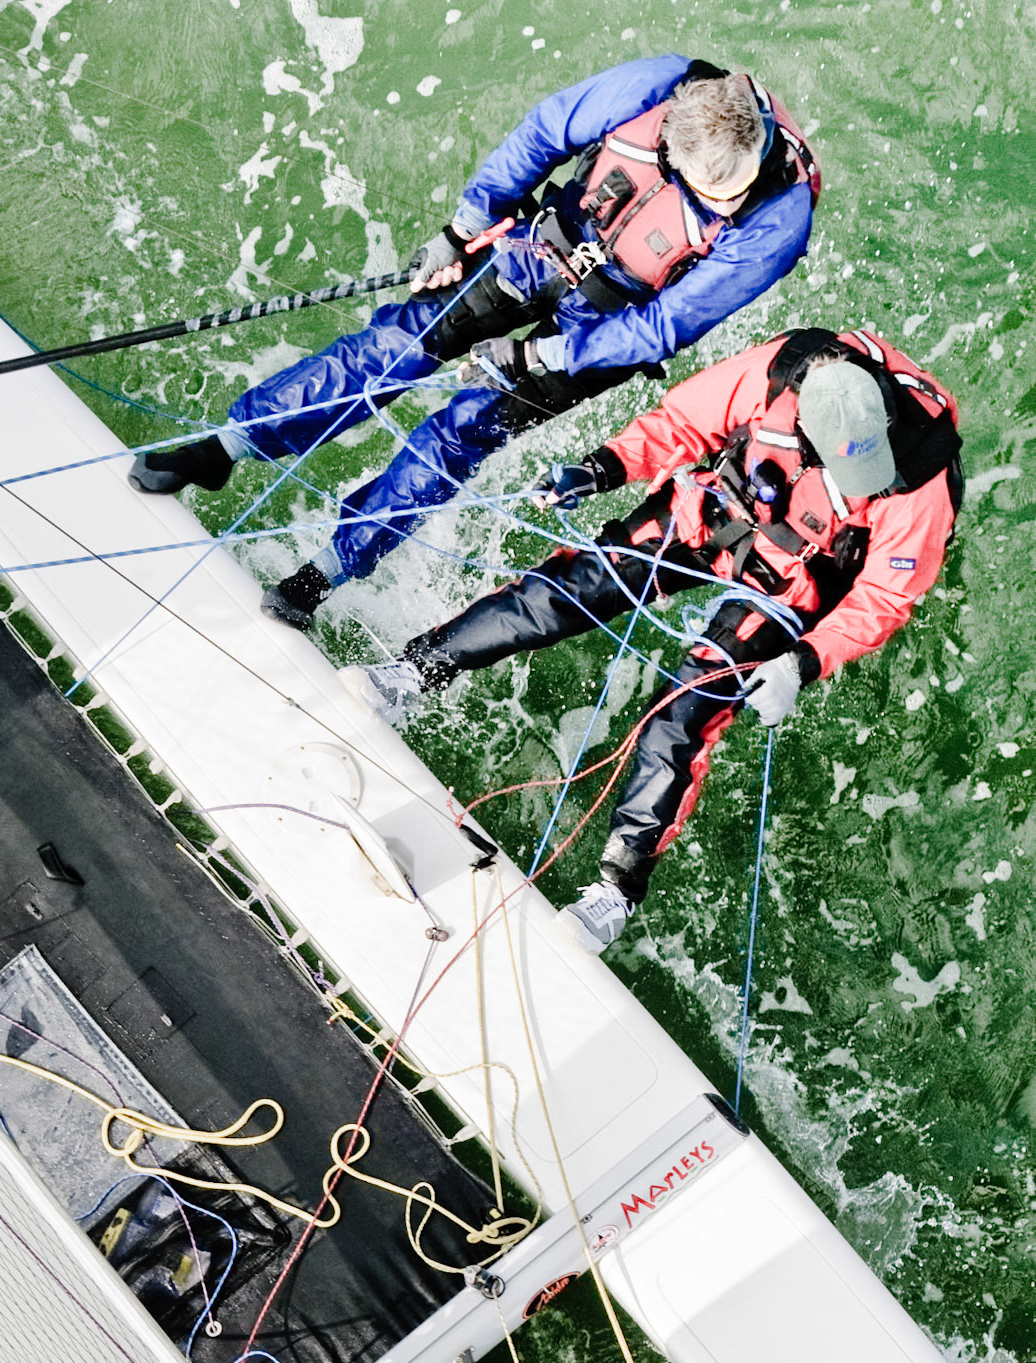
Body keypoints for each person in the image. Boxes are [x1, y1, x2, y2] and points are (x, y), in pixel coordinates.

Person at [130, 56, 819, 629]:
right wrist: (464, 227)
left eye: (730, 188)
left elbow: (666, 325)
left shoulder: (779, 215)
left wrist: (540, 356)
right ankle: (225, 448)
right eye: (709, 187)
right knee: (394, 347)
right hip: (535, 249)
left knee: (460, 433)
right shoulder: (663, 83)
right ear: (670, 137)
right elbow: (546, 131)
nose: (723, 201)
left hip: (605, 329)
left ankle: (324, 574)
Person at [344, 326, 963, 950]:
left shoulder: (919, 478)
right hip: (718, 508)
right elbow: (681, 423)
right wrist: (601, 468)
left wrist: (801, 665)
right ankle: (411, 673)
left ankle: (617, 888)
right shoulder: (778, 371)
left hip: (793, 580)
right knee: (567, 591)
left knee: (682, 712)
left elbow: (884, 597)